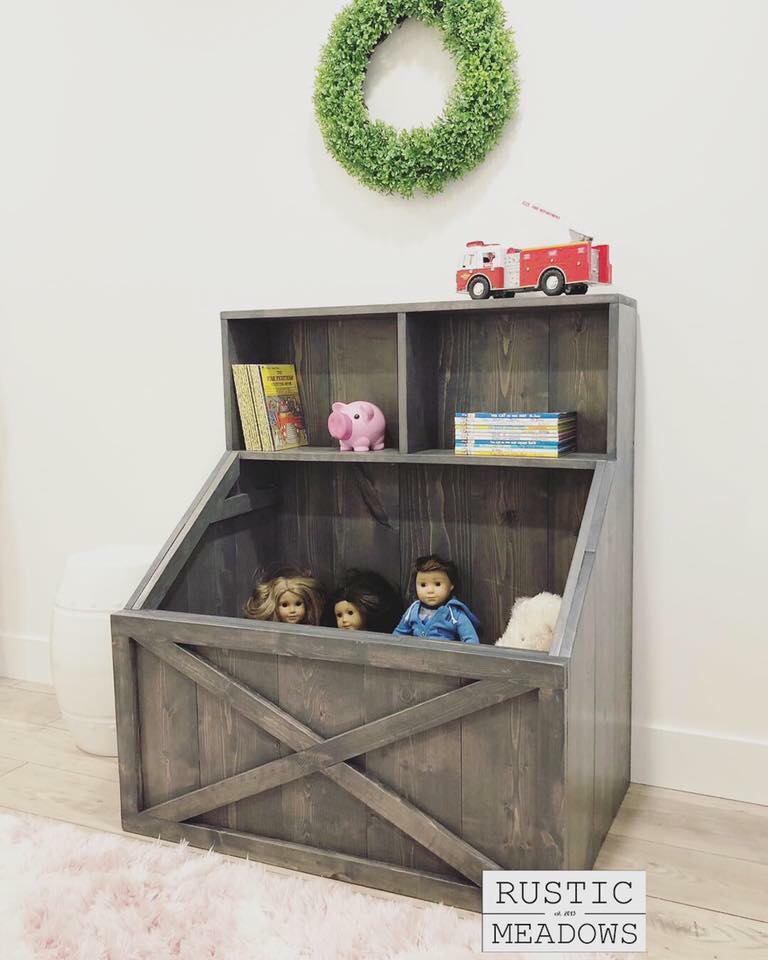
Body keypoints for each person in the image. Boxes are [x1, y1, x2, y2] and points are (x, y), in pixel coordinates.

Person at [393, 554, 480, 644]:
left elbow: (471, 639)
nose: (430, 591)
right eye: (423, 585)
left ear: (451, 585)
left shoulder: (453, 613)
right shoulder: (413, 610)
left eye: (437, 584)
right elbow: (398, 634)